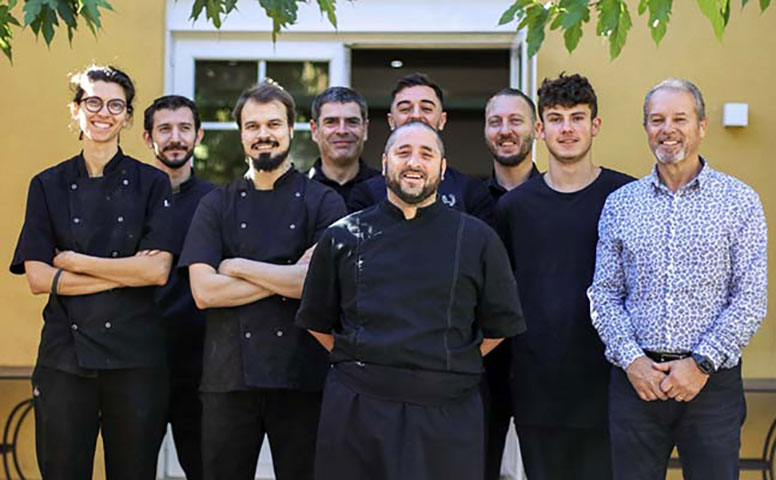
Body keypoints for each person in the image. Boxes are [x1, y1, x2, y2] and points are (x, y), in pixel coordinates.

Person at [296, 121, 526, 480]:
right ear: (385, 163)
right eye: (403, 152)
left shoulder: (478, 239)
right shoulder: (342, 236)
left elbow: (500, 327)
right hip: (358, 411)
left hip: (447, 414)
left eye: (426, 154)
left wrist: (444, 363)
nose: (414, 162)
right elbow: (317, 320)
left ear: (442, 168)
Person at [588, 78, 767, 480]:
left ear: (701, 126)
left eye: (679, 118)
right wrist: (632, 360)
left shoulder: (739, 201)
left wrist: (701, 364)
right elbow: (604, 294)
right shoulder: (621, 205)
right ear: (646, 128)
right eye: (657, 120)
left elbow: (750, 298)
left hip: (711, 388)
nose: (667, 129)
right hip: (637, 385)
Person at [10, 65, 175, 479]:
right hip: (65, 357)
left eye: (116, 105)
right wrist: (127, 272)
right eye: (93, 102)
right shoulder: (46, 184)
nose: (104, 113)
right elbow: (37, 278)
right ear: (76, 109)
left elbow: (157, 271)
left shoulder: (153, 183)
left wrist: (75, 262)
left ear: (128, 117)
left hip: (136, 359)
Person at [179, 80, 347, 480]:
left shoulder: (324, 201)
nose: (263, 135)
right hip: (228, 377)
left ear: (291, 129)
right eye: (252, 126)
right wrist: (288, 275)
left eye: (273, 124)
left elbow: (318, 286)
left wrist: (236, 265)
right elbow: (204, 292)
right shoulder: (215, 204)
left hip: (303, 375)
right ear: (241, 134)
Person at [496, 73, 634, 480]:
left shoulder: (626, 198)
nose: (567, 128)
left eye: (577, 117)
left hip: (611, 386)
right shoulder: (514, 208)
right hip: (538, 389)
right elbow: (502, 297)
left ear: (596, 125)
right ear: (540, 129)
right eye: (556, 119)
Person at [144, 94, 215, 480]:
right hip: (139, 362)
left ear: (198, 135)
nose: (175, 138)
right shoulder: (132, 199)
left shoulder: (216, 202)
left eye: (184, 128)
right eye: (165, 129)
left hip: (201, 365)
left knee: (204, 469)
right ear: (147, 137)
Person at [480, 87, 542, 480]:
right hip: (484, 362)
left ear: (536, 128)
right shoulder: (469, 200)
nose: (505, 130)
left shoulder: (555, 196)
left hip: (545, 359)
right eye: (495, 122)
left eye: (515, 121)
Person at [347, 73, 494, 222]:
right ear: (391, 121)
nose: (416, 115)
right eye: (405, 109)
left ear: (442, 120)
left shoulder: (471, 191)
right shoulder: (366, 194)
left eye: (426, 108)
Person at [307, 86, 379, 207]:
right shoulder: (297, 191)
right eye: (331, 122)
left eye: (352, 122)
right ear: (314, 130)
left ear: (365, 129)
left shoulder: (385, 190)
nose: (342, 131)